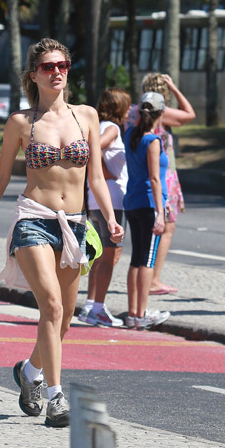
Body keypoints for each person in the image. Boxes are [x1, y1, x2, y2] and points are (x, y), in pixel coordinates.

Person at [0, 38, 123, 428]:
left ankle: (28, 373)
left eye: (62, 65)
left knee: (65, 321)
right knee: (52, 308)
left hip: (74, 224)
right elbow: (2, 176)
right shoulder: (21, 122)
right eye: (47, 67)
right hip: (34, 219)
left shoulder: (87, 116)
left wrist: (109, 218)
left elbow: (96, 178)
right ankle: (57, 398)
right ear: (33, 75)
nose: (56, 72)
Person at [79, 88, 131, 327]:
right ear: (120, 108)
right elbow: (93, 149)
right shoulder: (112, 129)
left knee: (99, 253)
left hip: (95, 197)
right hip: (111, 198)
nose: (130, 111)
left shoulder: (95, 125)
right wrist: (106, 172)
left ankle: (90, 304)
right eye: (127, 106)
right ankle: (98, 307)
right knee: (110, 255)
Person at [140, 73, 195, 295]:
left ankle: (148, 278)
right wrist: (175, 89)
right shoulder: (160, 113)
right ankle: (153, 279)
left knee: (151, 228)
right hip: (164, 175)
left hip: (149, 172)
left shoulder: (137, 111)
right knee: (167, 227)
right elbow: (189, 115)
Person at [123, 92, 172, 330]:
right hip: (149, 204)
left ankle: (133, 312)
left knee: (136, 259)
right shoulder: (152, 140)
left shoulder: (130, 134)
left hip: (132, 202)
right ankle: (141, 313)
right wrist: (161, 213)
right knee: (147, 260)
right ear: (160, 114)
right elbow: (154, 178)